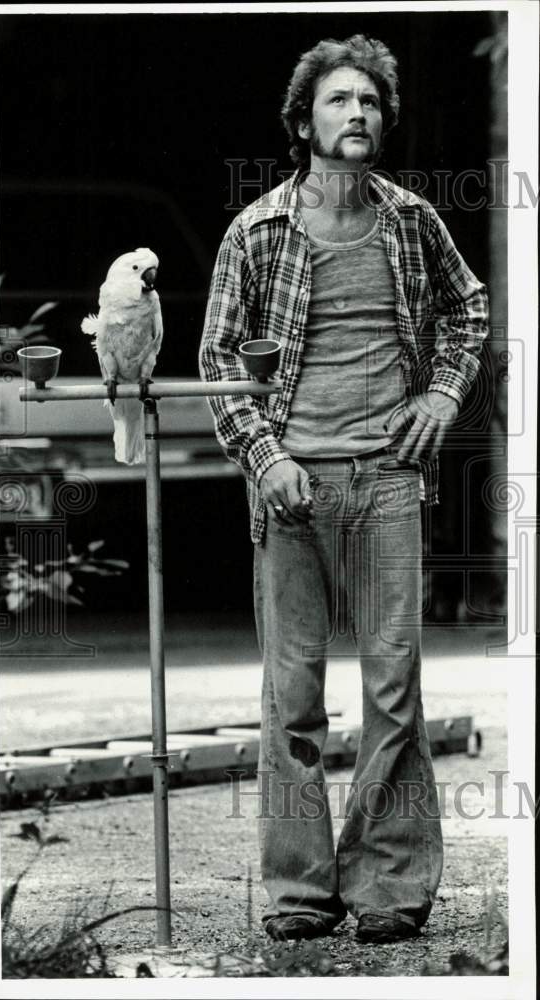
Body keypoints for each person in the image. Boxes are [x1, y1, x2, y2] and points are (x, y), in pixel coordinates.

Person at [199, 35, 488, 944]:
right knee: (292, 697)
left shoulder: (411, 222)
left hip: (389, 482)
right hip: (290, 487)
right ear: (301, 121)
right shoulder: (256, 231)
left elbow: (469, 308)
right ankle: (299, 892)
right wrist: (263, 454)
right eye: (337, 100)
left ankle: (388, 889)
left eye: (368, 100)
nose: (355, 112)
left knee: (393, 689)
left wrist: (441, 392)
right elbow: (216, 358)